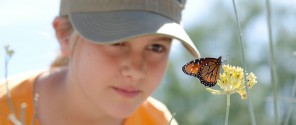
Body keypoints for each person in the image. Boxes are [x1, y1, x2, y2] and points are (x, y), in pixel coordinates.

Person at [0, 0, 200, 124]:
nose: (137, 70)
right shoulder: (4, 108)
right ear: (64, 36)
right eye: (116, 42)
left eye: (156, 47)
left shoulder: (159, 122)